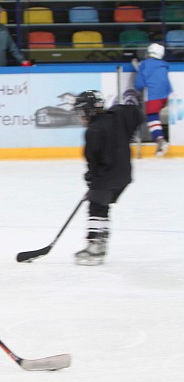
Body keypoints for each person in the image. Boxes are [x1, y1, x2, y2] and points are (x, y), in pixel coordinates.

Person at [73, 90, 144, 266]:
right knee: (102, 206)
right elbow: (137, 113)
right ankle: (101, 243)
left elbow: (93, 160)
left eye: (82, 112)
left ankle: (95, 246)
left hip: (107, 176)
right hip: (124, 176)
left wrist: (91, 178)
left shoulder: (93, 131)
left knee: (96, 207)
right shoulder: (118, 114)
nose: (81, 117)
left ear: (89, 111)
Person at [133, 43, 172, 157]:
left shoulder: (144, 64)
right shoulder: (164, 65)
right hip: (165, 95)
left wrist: (139, 71)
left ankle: (160, 140)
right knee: (155, 116)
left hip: (153, 94)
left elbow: (139, 85)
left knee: (152, 117)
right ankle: (159, 139)